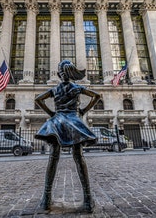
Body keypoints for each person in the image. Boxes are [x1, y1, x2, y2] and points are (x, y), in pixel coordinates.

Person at [35, 60, 101, 213]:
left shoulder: (55, 88)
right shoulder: (76, 87)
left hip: (57, 122)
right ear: (71, 73)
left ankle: (46, 198)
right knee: (78, 157)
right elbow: (96, 96)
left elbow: (38, 99)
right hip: (73, 121)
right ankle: (88, 199)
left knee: (53, 157)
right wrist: (83, 111)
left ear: (60, 74)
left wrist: (51, 113)